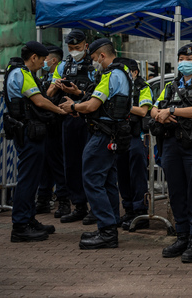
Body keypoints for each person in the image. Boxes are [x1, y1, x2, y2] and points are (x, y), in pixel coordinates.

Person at [59, 38, 133, 250]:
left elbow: (92, 105)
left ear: (102, 55)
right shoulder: (123, 72)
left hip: (103, 135)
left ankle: (107, 230)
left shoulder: (111, 74)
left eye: (93, 58)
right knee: (107, 180)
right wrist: (79, 98)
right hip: (111, 134)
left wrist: (73, 108)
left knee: (91, 179)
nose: (93, 63)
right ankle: (109, 226)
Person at [152, 44, 192, 263]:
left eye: (188, 58)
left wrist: (170, 111)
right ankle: (182, 236)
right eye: (180, 58)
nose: (183, 62)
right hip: (171, 143)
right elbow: (153, 107)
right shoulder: (170, 86)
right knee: (176, 191)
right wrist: (159, 113)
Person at [3, 41, 67, 242]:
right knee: (28, 180)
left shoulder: (22, 73)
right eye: (42, 59)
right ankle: (20, 226)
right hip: (28, 133)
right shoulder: (22, 74)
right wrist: (61, 110)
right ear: (33, 58)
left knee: (32, 178)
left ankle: (29, 219)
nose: (43, 63)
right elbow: (39, 101)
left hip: (30, 132)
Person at [46, 29, 96, 225]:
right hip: (68, 119)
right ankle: (79, 205)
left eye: (77, 47)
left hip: (89, 119)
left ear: (85, 45)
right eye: (70, 47)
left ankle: (94, 206)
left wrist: (78, 91)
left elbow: (99, 94)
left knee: (90, 164)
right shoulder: (63, 66)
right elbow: (49, 93)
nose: (74, 51)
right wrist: (57, 85)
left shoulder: (94, 64)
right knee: (71, 164)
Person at [116, 57, 151, 231]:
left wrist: (122, 105)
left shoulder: (143, 88)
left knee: (137, 175)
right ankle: (129, 209)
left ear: (135, 72)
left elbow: (143, 111)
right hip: (121, 136)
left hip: (137, 137)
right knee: (122, 174)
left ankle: (141, 212)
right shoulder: (120, 87)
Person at [35, 45, 71, 218]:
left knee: (57, 164)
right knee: (44, 166)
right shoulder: (44, 78)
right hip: (46, 126)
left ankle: (64, 201)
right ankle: (43, 200)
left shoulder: (63, 78)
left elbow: (48, 97)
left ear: (54, 60)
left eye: (45, 59)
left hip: (58, 125)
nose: (43, 62)